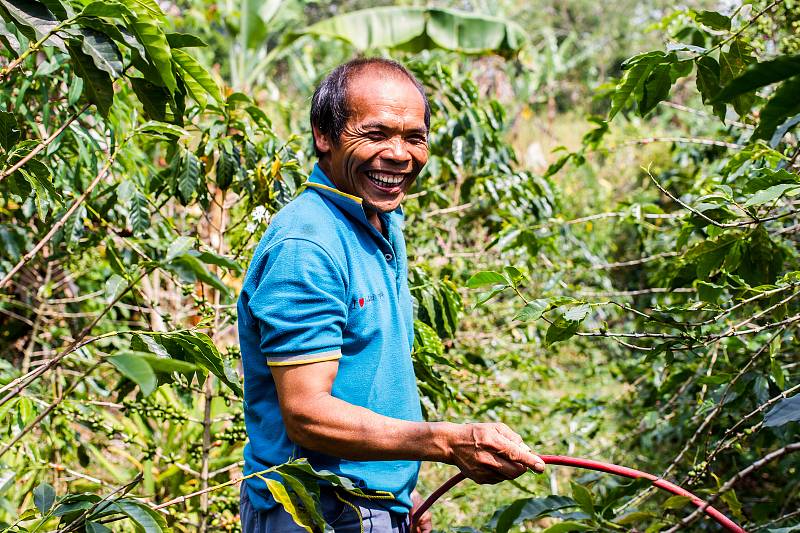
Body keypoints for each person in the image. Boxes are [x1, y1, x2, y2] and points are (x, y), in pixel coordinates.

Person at [237, 58, 545, 533]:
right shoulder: (307, 245)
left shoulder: (379, 220)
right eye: (376, 134)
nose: (399, 154)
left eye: (414, 137)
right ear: (325, 135)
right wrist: (444, 442)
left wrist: (396, 491)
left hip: (366, 502)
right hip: (314, 512)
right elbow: (307, 415)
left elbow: (369, 375)